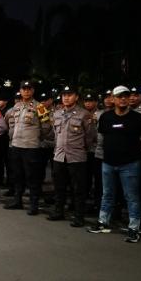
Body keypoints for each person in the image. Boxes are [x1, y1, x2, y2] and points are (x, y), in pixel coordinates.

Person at [88, 85, 141, 243]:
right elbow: (102, 136)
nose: (123, 99)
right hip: (108, 162)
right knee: (107, 194)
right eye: (120, 96)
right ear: (113, 99)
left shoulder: (139, 119)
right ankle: (103, 222)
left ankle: (134, 228)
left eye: (126, 96)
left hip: (130, 164)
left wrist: (134, 149)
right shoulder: (106, 117)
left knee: (132, 197)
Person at [47, 86, 95, 227]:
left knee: (78, 188)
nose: (66, 97)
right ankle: (58, 211)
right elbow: (55, 134)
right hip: (59, 156)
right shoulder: (57, 113)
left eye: (70, 94)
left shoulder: (84, 114)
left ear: (76, 97)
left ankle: (79, 216)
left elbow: (90, 136)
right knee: (59, 186)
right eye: (64, 95)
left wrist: (81, 149)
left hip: (76, 156)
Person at [6, 81, 54, 215]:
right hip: (16, 145)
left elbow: (47, 127)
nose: (26, 91)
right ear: (20, 91)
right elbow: (11, 124)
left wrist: (38, 138)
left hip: (31, 147)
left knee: (33, 177)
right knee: (17, 175)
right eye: (23, 89)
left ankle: (34, 205)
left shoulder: (40, 107)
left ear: (33, 91)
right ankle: (17, 201)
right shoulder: (16, 106)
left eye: (28, 89)